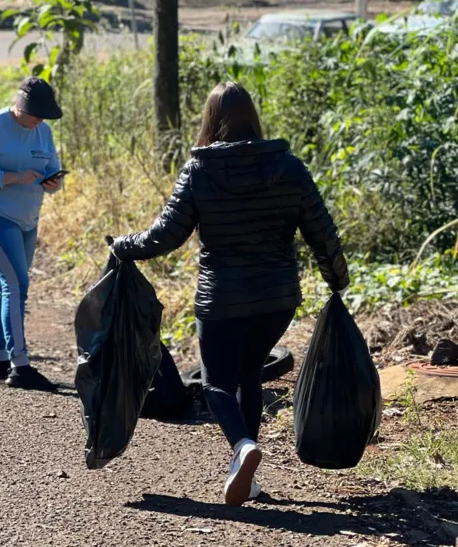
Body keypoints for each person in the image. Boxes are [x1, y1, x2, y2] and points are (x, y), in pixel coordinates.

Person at [110, 82, 349, 506]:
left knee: (217, 382)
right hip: (277, 300)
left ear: (211, 119)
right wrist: (337, 279)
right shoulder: (289, 167)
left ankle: (242, 446)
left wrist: (122, 246)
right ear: (253, 117)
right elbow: (322, 230)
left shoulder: (200, 171)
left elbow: (166, 235)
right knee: (249, 374)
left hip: (222, 299)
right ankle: (249, 476)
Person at [0, 76, 65, 391]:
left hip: (27, 219)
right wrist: (13, 177)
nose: (39, 122)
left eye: (44, 117)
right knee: (17, 285)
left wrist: (53, 182)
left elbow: (55, 176)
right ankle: (20, 366)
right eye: (35, 115)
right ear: (20, 107)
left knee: (7, 284)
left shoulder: (43, 132)